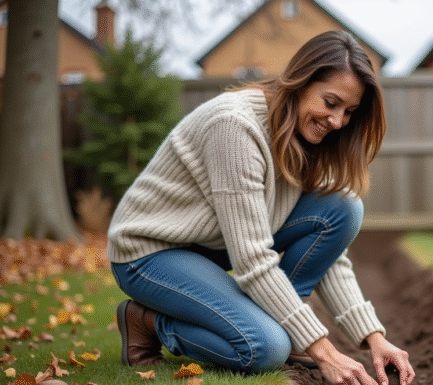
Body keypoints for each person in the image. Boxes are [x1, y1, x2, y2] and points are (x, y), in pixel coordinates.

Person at [107, 30, 415, 385]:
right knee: (264, 348)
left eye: (349, 112)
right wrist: (324, 351)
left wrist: (373, 337)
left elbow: (329, 254)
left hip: (214, 244)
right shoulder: (235, 127)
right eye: (331, 103)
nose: (337, 121)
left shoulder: (308, 136)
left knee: (344, 209)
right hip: (151, 253)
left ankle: (288, 330)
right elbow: (252, 258)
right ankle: (147, 321)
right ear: (300, 82)